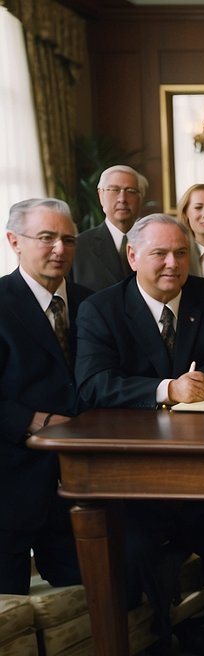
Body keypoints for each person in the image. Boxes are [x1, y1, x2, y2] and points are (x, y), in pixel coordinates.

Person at [75, 214, 204, 656]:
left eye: (180, 253)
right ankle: (160, 633)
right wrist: (166, 390)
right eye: (159, 254)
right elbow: (93, 384)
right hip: (138, 477)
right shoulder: (102, 309)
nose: (172, 264)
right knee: (134, 545)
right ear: (133, 257)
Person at [0, 198, 90, 595]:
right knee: (10, 611)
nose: (60, 249)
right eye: (47, 237)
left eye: (68, 239)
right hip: (13, 477)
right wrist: (33, 421)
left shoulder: (94, 304)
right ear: (14, 241)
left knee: (90, 592)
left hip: (82, 480)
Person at [72, 165, 146, 291]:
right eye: (114, 190)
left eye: (130, 191)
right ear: (101, 196)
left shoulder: (153, 242)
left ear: (140, 198)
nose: (122, 199)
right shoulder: (78, 247)